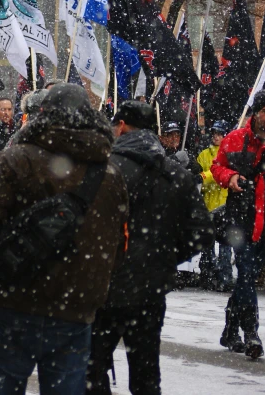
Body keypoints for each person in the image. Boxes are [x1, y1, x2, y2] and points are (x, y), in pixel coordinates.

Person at [0, 83, 129, 395]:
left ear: (42, 115)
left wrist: (10, 257)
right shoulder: (111, 175)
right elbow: (119, 248)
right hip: (76, 313)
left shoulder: (15, 160)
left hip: (18, 302)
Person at [86, 101, 213, 395]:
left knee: (91, 370)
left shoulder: (100, 170)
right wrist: (165, 257)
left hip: (103, 287)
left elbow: (80, 227)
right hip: (149, 290)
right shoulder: (174, 173)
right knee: (145, 374)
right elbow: (202, 232)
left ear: (121, 127)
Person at [210, 89, 265, 359]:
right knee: (245, 274)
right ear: (256, 113)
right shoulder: (234, 139)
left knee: (247, 278)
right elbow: (217, 166)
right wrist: (230, 177)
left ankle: (230, 329)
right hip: (240, 220)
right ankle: (251, 332)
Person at [198, 120, 234, 292]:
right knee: (208, 245)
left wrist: (210, 175)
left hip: (225, 205)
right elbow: (202, 178)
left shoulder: (230, 154)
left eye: (219, 133)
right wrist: (211, 176)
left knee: (226, 245)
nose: (216, 136)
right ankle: (207, 275)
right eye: (214, 133)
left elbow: (222, 175)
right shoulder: (204, 155)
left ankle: (225, 277)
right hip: (209, 205)